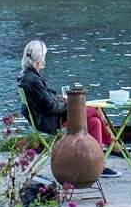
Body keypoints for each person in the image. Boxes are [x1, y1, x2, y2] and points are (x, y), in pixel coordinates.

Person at [17, 40, 118, 174]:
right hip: (51, 120)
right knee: (95, 110)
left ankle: (98, 165)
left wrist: (61, 99)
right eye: (44, 55)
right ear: (40, 57)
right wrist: (69, 103)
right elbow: (52, 107)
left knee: (95, 122)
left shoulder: (27, 75)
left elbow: (46, 100)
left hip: (46, 117)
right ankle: (113, 144)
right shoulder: (34, 79)